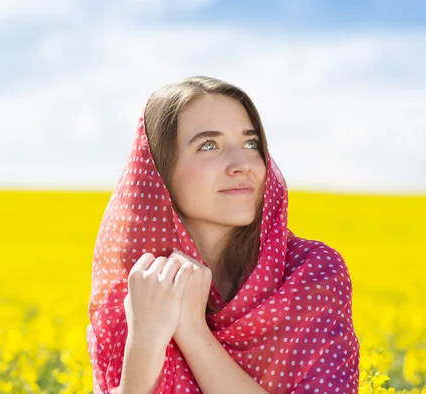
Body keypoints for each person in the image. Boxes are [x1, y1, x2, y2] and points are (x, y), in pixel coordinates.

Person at [86, 76, 360, 394]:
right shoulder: (138, 290)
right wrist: (144, 342)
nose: (242, 164)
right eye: (208, 145)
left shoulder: (311, 273)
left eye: (251, 143)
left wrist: (192, 332)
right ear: (158, 169)